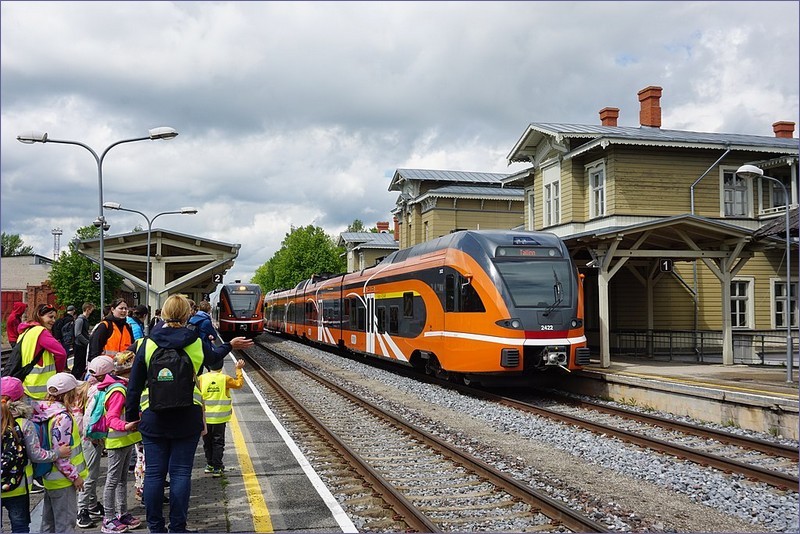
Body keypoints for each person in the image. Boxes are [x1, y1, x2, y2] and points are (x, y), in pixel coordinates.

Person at [125, 294, 253, 533]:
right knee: (181, 472)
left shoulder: (146, 343)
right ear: (187, 314)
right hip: (187, 417)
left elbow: (134, 385)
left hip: (153, 417)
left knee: (154, 473)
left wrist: (131, 417)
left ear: (163, 314)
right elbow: (215, 357)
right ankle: (178, 527)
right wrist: (230, 345)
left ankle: (155, 527)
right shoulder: (195, 341)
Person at [1, 376, 70, 533]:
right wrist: (58, 452)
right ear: (21, 398)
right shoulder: (24, 424)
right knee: (20, 527)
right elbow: (37, 455)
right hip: (18, 486)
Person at [30, 373, 88, 533]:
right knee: (65, 523)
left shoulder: (41, 411)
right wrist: (75, 477)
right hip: (63, 480)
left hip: (50, 477)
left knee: (48, 523)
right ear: (70, 395)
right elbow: (61, 455)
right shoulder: (63, 418)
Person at [98, 350, 142, 533]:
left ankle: (122, 513)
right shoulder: (119, 391)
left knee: (123, 479)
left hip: (125, 440)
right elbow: (111, 418)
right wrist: (126, 426)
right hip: (117, 440)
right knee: (112, 480)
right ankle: (108, 519)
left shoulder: (123, 387)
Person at [199, 358, 245, 477]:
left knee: (207, 442)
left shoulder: (201, 379)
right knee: (218, 443)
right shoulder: (225, 379)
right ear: (221, 367)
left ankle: (209, 464)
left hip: (205, 419)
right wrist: (238, 370)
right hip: (220, 419)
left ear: (208, 367)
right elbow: (239, 384)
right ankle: (217, 467)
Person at [16, 304, 68, 400]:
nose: (53, 320)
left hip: (26, 383)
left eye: (54, 317)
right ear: (40, 315)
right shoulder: (41, 332)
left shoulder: (25, 331)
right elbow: (62, 353)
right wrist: (58, 372)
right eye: (50, 316)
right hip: (41, 388)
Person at [71, 303, 95, 381]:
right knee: (78, 364)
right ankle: (75, 379)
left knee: (81, 365)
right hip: (79, 345)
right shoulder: (80, 320)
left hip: (82, 345)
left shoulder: (83, 320)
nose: (91, 312)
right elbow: (77, 333)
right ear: (87, 309)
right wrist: (87, 342)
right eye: (91, 310)